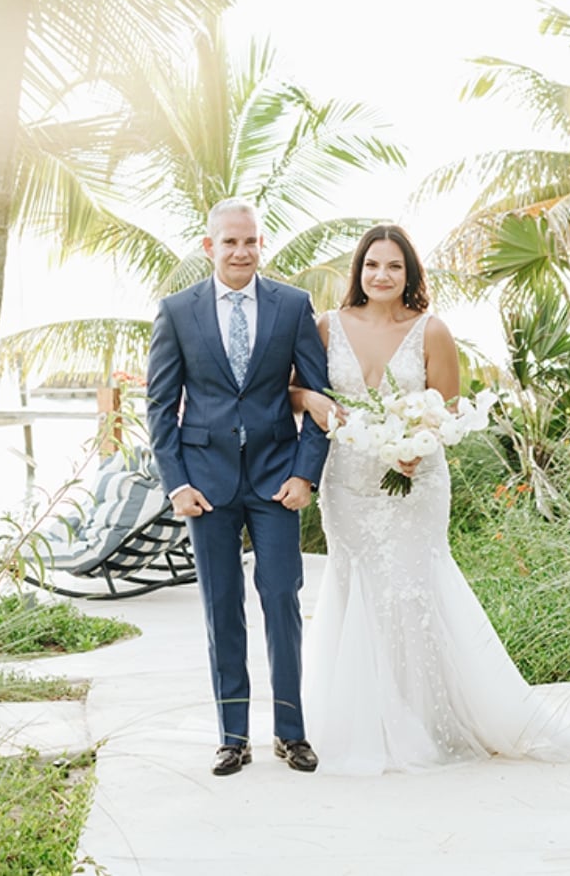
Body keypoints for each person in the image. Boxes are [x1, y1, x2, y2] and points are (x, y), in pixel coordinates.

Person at [291, 223, 570, 775]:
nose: (381, 275)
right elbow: (292, 389)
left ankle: (424, 720)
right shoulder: (326, 327)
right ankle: (361, 720)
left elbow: (447, 412)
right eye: (372, 265)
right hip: (349, 484)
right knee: (353, 585)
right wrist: (311, 396)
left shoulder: (431, 330)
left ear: (410, 275)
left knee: (411, 592)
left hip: (414, 482)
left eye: (394, 267)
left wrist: (415, 448)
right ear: (358, 272)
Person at [146, 197, 331, 777]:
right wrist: (176, 484)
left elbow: (320, 399)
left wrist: (306, 474)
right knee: (221, 609)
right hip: (206, 485)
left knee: (282, 601)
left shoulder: (293, 305)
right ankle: (232, 736)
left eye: (250, 241)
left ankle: (291, 731)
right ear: (210, 247)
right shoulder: (177, 311)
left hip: (278, 481)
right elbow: (159, 407)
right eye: (229, 242)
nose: (241, 251)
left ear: (260, 244)